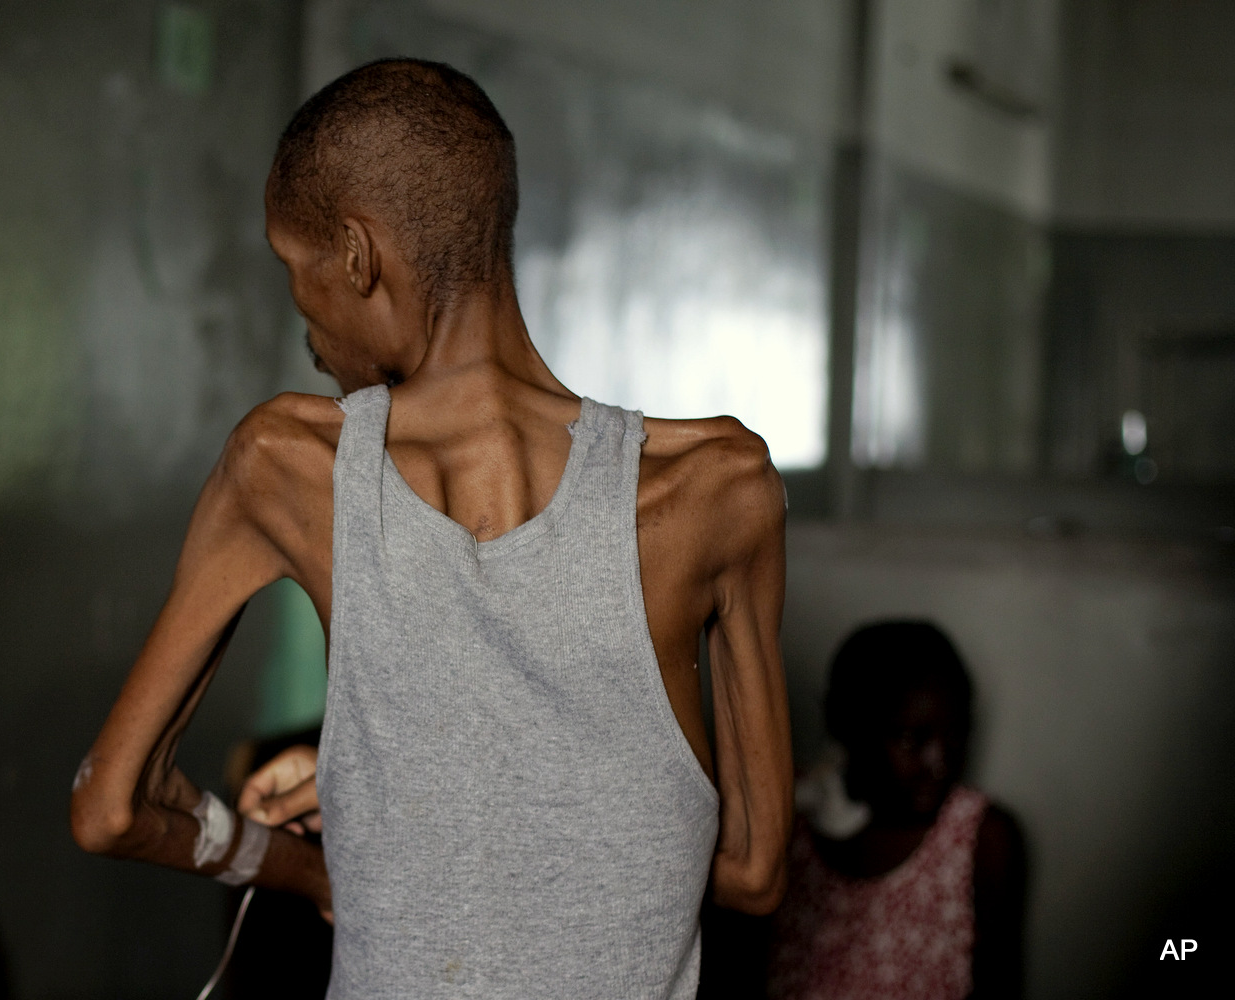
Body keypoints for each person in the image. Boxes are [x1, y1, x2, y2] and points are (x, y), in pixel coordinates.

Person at [69, 58, 794, 997]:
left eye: (297, 273)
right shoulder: (719, 489)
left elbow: (111, 807)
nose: (306, 329)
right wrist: (413, 799)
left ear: (359, 257)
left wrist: (312, 870)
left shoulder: (286, 468)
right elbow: (750, 872)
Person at [766, 621, 1027, 1000]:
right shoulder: (788, 814)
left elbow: (999, 982)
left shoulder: (980, 837)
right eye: (909, 739)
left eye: (956, 734)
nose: (938, 763)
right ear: (845, 727)